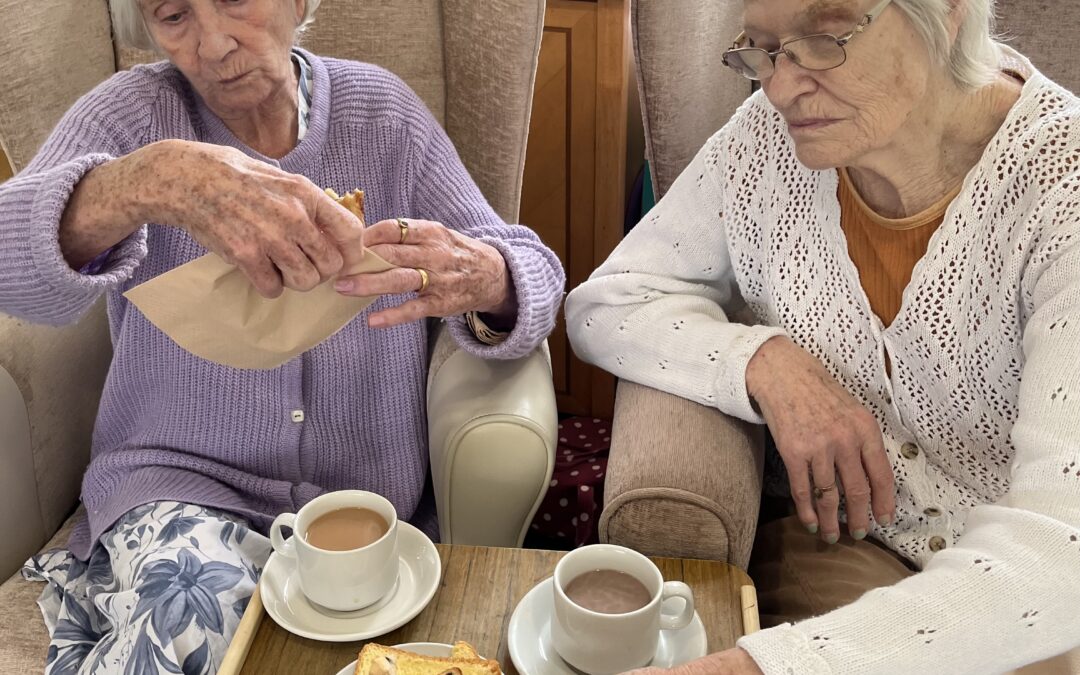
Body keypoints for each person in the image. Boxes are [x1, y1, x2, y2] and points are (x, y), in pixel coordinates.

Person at [0, 0, 564, 672]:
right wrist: (144, 182)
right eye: (173, 15)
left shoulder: (382, 114)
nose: (212, 44)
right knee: (193, 621)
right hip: (177, 487)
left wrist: (488, 277)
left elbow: (532, 269)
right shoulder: (134, 115)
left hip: (365, 505)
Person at [566, 0, 1080, 672]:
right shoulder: (768, 145)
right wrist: (764, 362)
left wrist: (748, 668)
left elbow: (1061, 547)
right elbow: (605, 303)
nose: (779, 87)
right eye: (763, 47)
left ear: (949, 13)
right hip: (847, 545)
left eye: (826, 37)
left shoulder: (1060, 184)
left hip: (1026, 586)